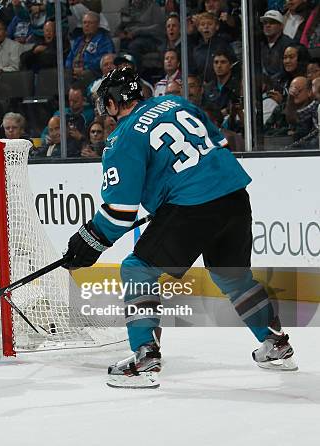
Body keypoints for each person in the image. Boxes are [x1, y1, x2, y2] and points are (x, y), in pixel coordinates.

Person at [62, 67, 296, 389]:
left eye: (106, 103)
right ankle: (276, 343)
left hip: (192, 204)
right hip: (233, 194)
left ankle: (145, 356)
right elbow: (218, 144)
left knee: (136, 269)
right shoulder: (177, 103)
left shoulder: (123, 136)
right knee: (231, 274)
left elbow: (119, 213)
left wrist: (86, 242)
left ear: (114, 103)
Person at [66, 11, 115, 87]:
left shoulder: (104, 40)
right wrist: (71, 69)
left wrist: (84, 68)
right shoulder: (78, 40)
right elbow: (70, 57)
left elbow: (104, 59)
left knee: (85, 76)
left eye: (90, 23)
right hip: (74, 71)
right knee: (62, 75)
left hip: (93, 72)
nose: (86, 25)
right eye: (84, 23)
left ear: (97, 24)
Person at [260, 10, 294, 82]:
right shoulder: (260, 45)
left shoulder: (289, 44)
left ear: (281, 26)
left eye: (272, 22)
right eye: (265, 22)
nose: (267, 25)